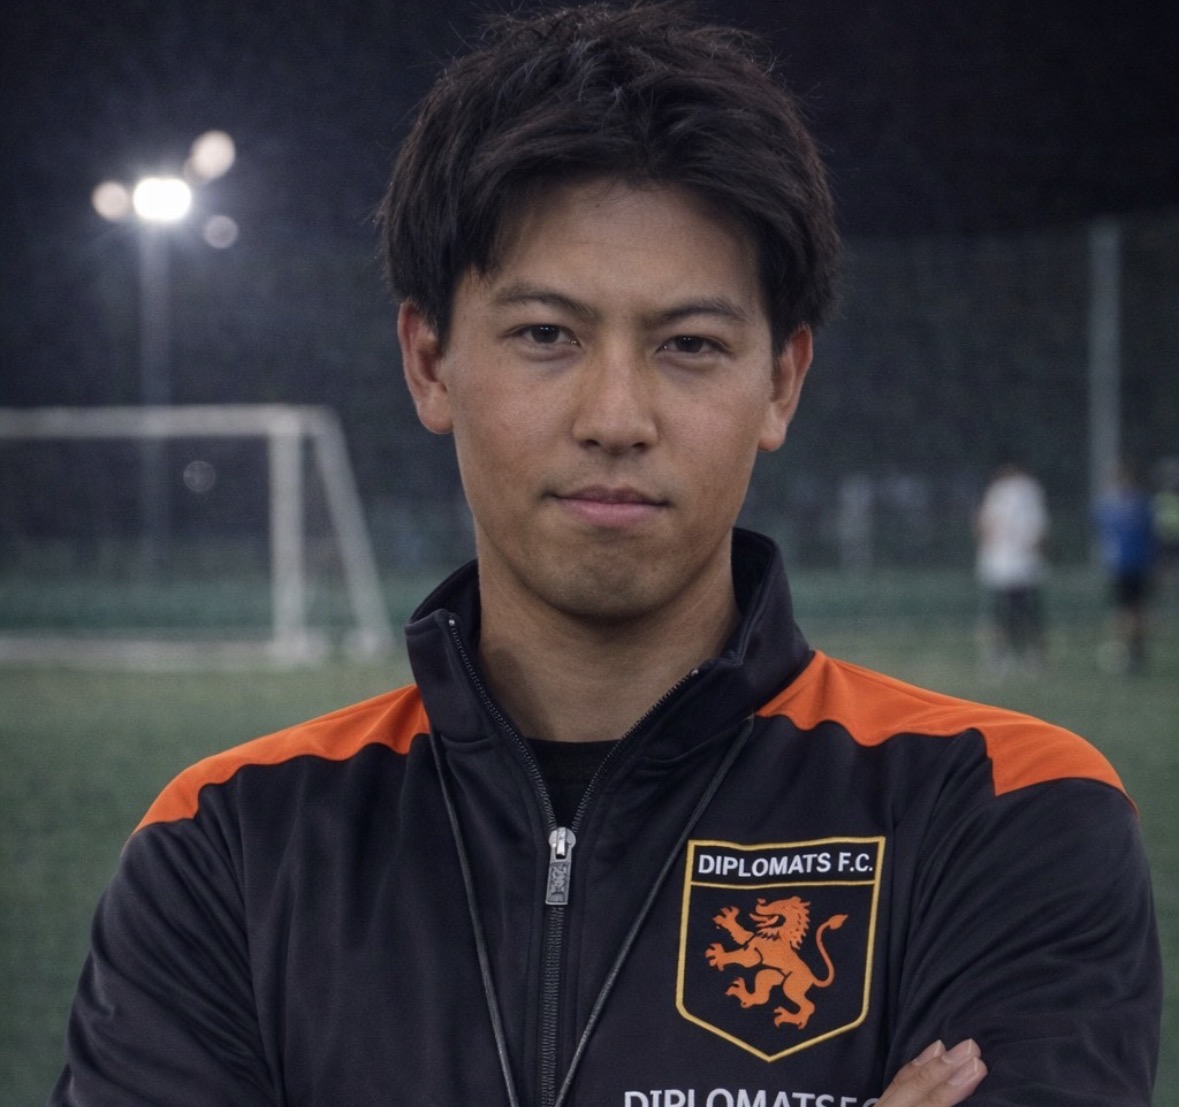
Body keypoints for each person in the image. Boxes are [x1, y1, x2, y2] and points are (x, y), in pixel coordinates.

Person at [51, 4, 1160, 1105]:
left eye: (690, 344)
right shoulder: (231, 844)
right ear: (430, 361)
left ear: (780, 382)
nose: (616, 417)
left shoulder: (1004, 812)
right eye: (547, 335)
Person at [973, 463, 1049, 675]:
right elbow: (1039, 529)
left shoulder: (1003, 491)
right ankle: (1031, 657)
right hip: (1020, 563)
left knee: (1004, 614)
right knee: (1026, 614)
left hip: (1005, 563)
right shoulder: (1027, 490)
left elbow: (984, 526)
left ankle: (1004, 656)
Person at [1094, 461, 1158, 673]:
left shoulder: (1124, 505)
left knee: (1130, 610)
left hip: (1131, 564)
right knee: (1131, 610)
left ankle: (1130, 650)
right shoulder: (1131, 504)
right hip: (1127, 565)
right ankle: (1131, 650)